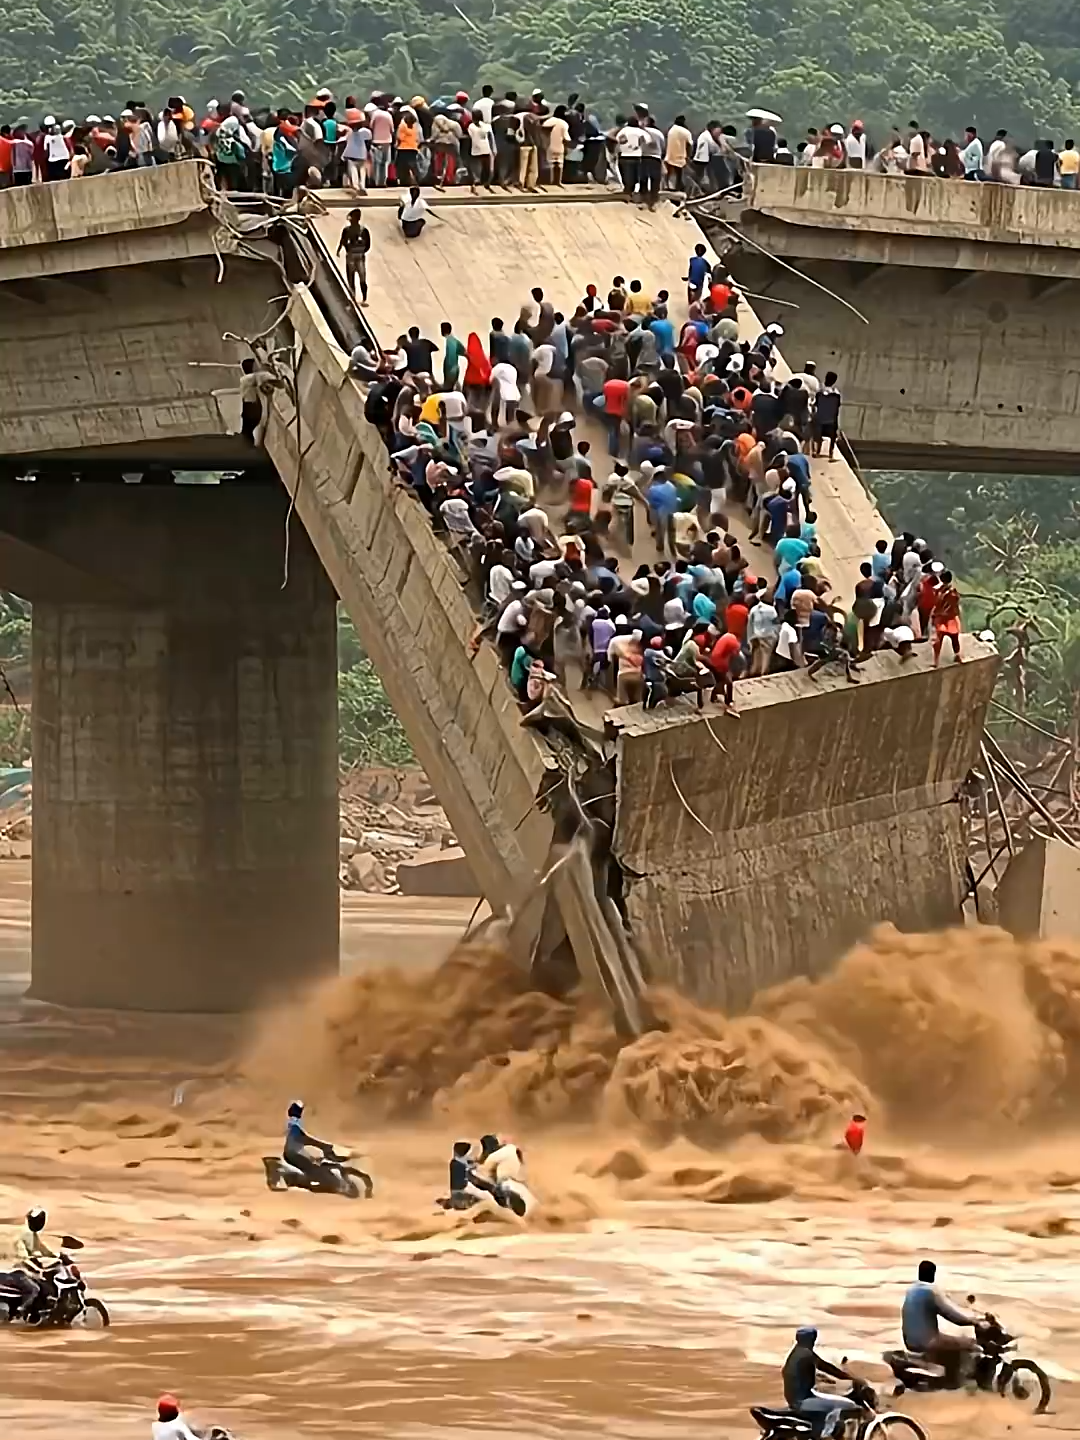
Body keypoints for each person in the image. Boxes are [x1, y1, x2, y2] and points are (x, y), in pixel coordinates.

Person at [901, 1260, 981, 1387]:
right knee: (971, 1344)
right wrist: (974, 1321)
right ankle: (961, 1383)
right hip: (928, 1342)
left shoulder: (910, 1290)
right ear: (933, 1274)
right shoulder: (931, 1292)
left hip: (909, 1342)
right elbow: (953, 1317)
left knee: (949, 1340)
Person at [781, 1326, 859, 1437]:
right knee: (847, 1405)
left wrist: (822, 1378)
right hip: (803, 1401)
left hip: (796, 1397)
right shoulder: (806, 1354)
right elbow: (827, 1367)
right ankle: (826, 1435)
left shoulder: (797, 1352)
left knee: (832, 1399)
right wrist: (851, 1378)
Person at [282, 1099, 337, 1185]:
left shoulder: (293, 1122)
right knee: (314, 1168)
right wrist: (322, 1145)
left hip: (293, 1151)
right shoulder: (295, 1124)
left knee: (314, 1160)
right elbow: (304, 1138)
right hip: (294, 1153)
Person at [336, 208, 371, 305]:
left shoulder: (350, 230)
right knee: (359, 277)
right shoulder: (363, 230)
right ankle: (357, 298)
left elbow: (343, 241)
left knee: (356, 277)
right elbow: (368, 245)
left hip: (353, 255)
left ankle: (356, 298)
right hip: (358, 255)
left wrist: (341, 250)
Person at [931, 571, 963, 666]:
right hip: (950, 619)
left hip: (941, 618)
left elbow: (937, 603)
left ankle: (936, 661)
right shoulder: (953, 592)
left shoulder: (941, 591)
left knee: (939, 639)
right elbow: (955, 604)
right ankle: (957, 655)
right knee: (954, 638)